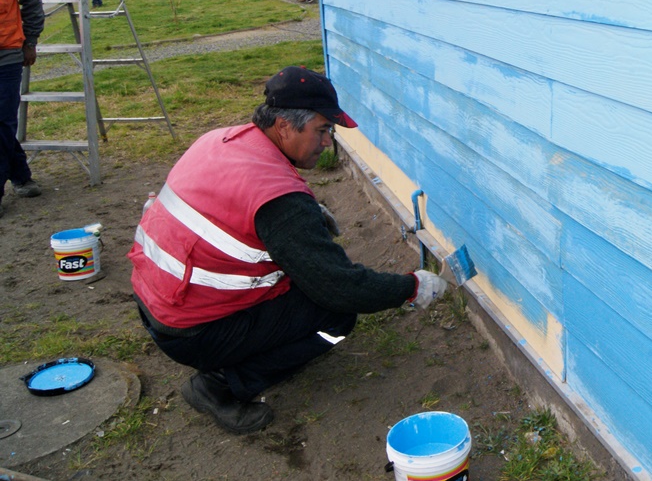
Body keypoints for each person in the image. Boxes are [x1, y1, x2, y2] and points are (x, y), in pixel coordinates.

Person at [127, 65, 448, 434]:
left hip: (155, 300)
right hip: (190, 332)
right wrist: (412, 287)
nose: (327, 142)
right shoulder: (280, 201)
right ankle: (218, 385)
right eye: (322, 130)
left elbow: (226, 205)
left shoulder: (219, 140)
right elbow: (342, 288)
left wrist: (301, 219)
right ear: (283, 126)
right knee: (335, 316)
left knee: (300, 280)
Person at [0, 0, 46, 218]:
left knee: (3, 121)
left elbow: (31, 0)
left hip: (6, 53)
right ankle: (20, 175)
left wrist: (30, 41)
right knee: (2, 125)